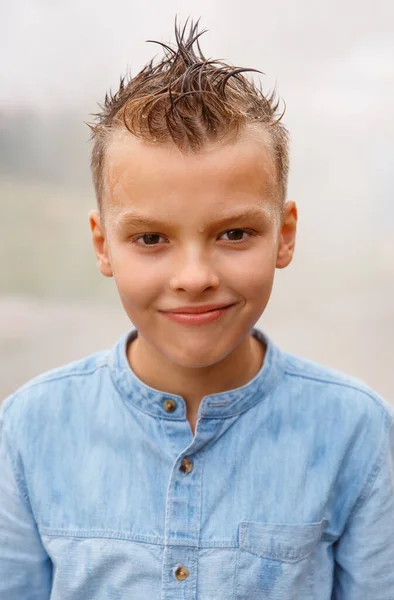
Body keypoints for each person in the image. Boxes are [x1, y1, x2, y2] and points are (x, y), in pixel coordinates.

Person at [0, 20, 393, 600]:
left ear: (284, 235)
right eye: (151, 239)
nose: (194, 278)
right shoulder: (27, 430)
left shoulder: (358, 432)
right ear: (102, 244)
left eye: (234, 233)